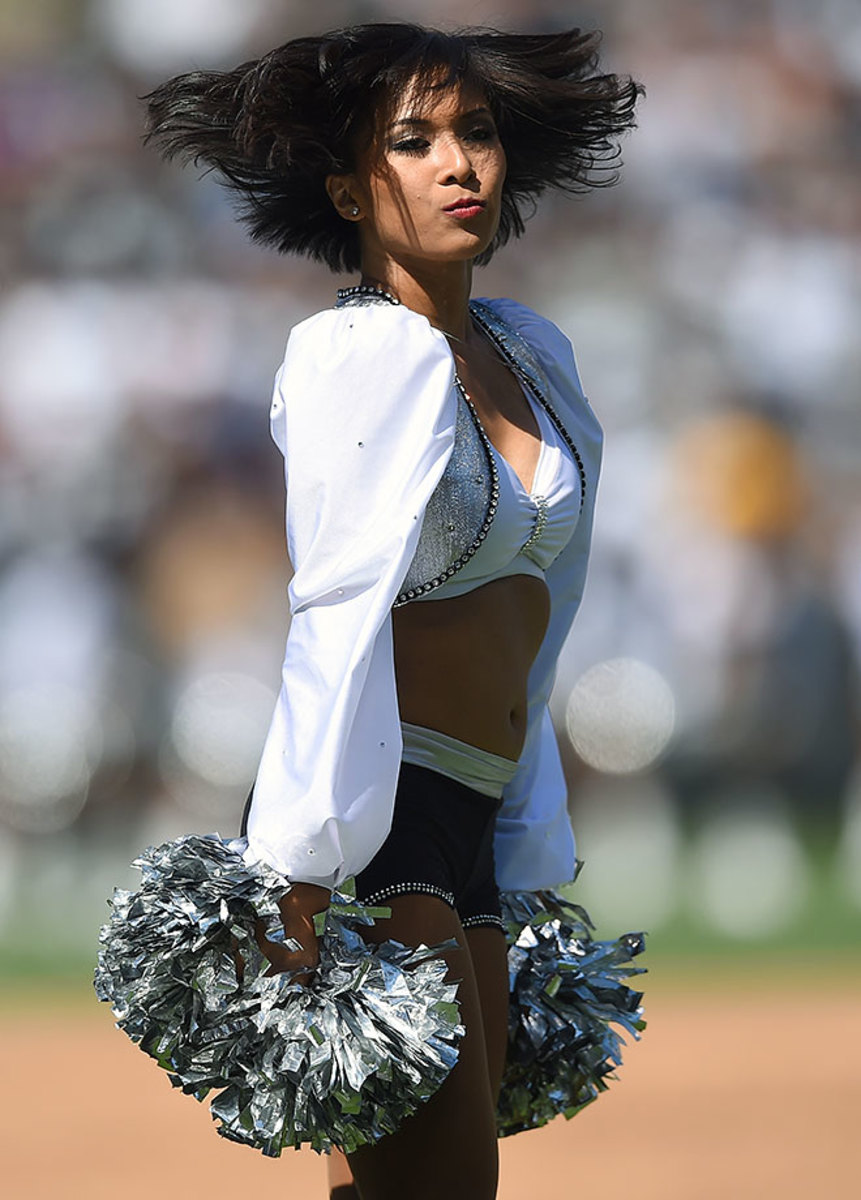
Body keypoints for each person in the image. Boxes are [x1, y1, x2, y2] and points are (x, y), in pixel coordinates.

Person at [144, 22, 643, 1200]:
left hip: (470, 822)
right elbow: (332, 613)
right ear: (348, 190)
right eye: (413, 143)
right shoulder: (356, 357)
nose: (457, 164)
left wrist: (525, 847)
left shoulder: (533, 350)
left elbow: (544, 615)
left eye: (474, 133)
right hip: (378, 827)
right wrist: (298, 884)